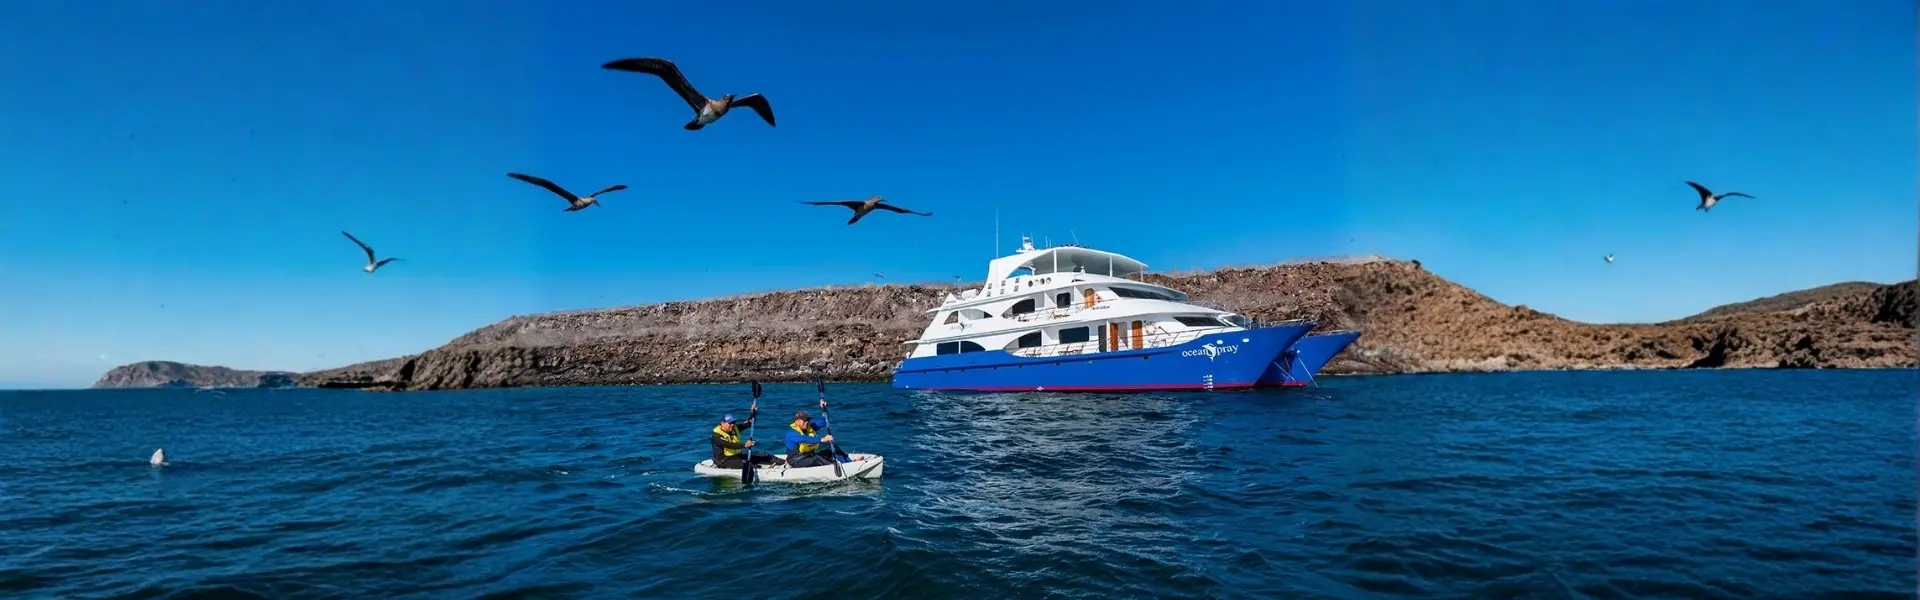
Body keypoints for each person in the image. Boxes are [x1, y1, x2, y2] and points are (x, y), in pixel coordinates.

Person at [710, 410, 779, 469]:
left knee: (764, 455)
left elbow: (750, 423)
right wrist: (745, 445)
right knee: (747, 465)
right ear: (722, 423)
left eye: (733, 422)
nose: (732, 425)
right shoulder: (716, 436)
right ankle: (763, 470)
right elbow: (729, 445)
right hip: (724, 460)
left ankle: (785, 462)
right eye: (730, 423)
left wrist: (752, 413)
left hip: (738, 456)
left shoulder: (734, 428)